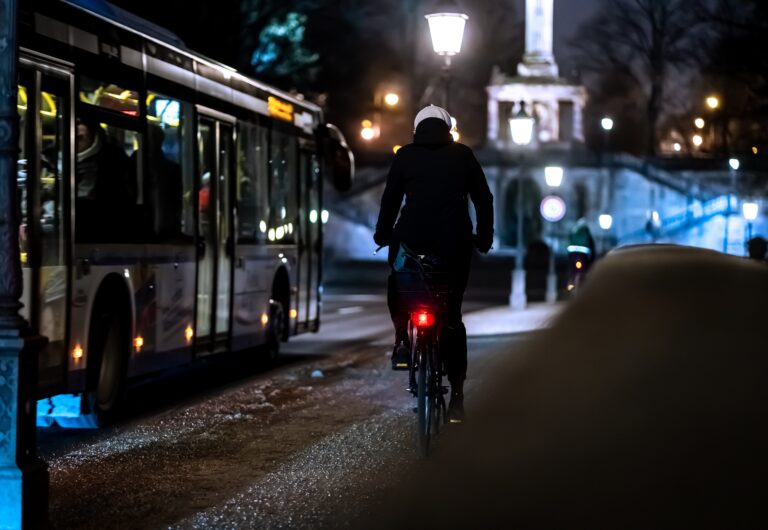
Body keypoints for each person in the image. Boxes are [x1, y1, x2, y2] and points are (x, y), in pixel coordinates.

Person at [374, 105, 494, 423]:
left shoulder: (405, 156)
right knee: (452, 316)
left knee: (399, 283)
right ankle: (457, 399)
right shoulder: (463, 155)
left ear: (417, 129)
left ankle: (402, 340)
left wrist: (383, 234)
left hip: (410, 241)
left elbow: (390, 199)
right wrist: (484, 238)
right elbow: (484, 199)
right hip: (453, 245)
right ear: (447, 128)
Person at [75, 119, 132, 241]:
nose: (74, 143)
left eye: (80, 138)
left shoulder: (109, 159)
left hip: (102, 230)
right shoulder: (53, 157)